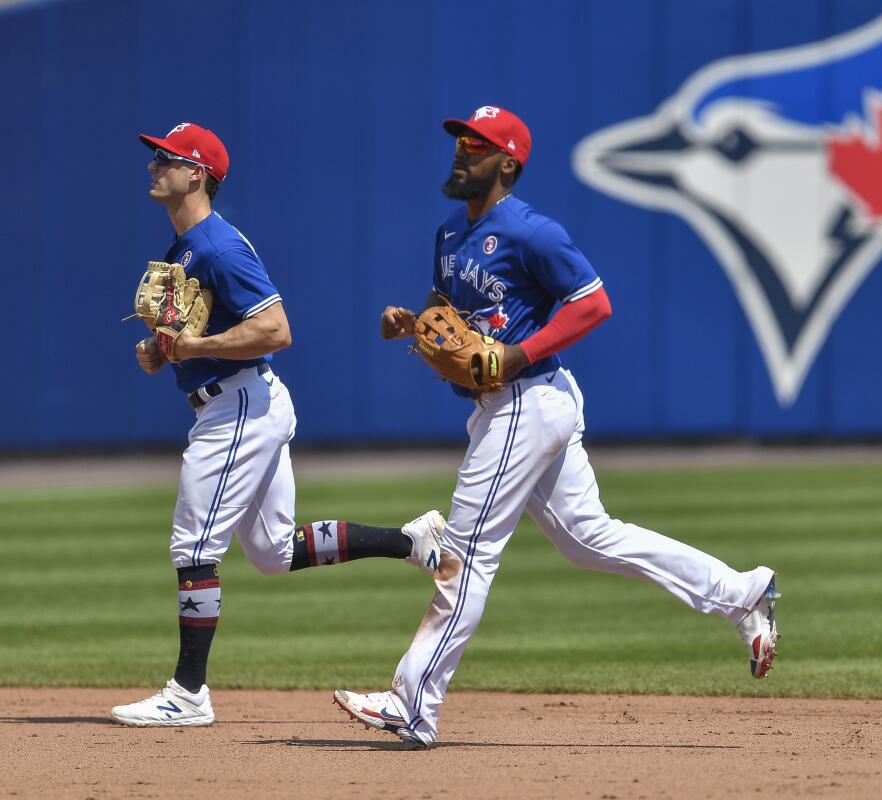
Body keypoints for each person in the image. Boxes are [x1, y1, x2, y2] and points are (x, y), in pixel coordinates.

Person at [332, 106, 779, 749]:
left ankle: (412, 701)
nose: (461, 152)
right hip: (512, 405)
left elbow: (593, 303)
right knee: (588, 539)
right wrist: (411, 322)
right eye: (460, 141)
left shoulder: (532, 231)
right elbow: (448, 313)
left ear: (507, 163)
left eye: (477, 146)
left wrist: (516, 353)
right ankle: (742, 594)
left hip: (527, 398)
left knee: (465, 556)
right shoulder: (449, 235)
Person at [111, 122, 446, 728]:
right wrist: (163, 351)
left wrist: (192, 348)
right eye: (155, 156)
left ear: (197, 174)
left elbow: (277, 330)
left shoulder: (216, 246)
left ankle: (187, 694)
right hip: (242, 399)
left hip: (239, 405)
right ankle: (412, 540)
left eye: (166, 158)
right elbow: (193, 339)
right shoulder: (182, 250)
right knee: (270, 552)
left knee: (193, 545)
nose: (154, 164)